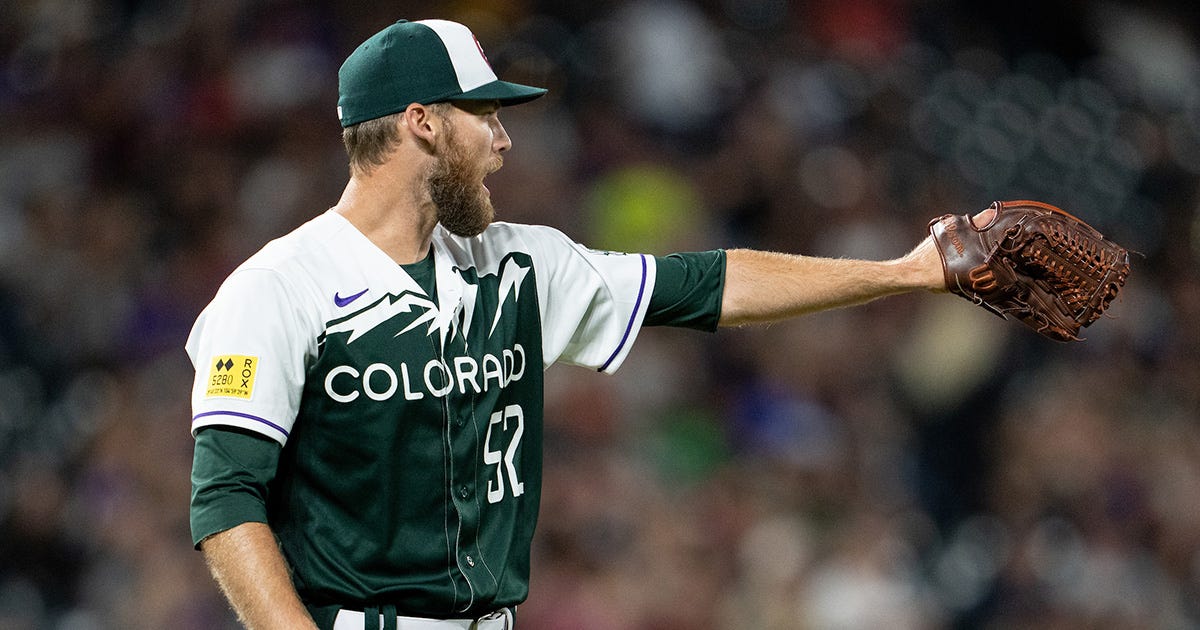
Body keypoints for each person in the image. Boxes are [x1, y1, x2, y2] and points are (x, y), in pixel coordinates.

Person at [187, 18, 978, 630]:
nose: (503, 140)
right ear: (422, 123)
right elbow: (226, 497)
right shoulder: (275, 289)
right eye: (486, 115)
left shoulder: (521, 263)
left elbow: (708, 284)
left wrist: (905, 272)